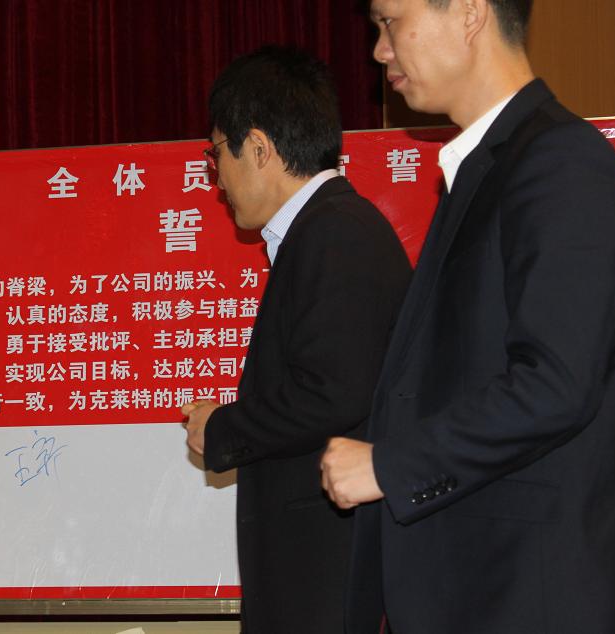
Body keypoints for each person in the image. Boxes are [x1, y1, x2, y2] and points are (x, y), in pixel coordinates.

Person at [320, 1, 615, 632]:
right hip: (473, 587)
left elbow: (556, 384)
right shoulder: (487, 166)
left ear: (467, 13)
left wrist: (390, 465)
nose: (379, 50)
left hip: (520, 593)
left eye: (389, 21)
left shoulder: (559, 160)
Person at [181, 46, 411, 633]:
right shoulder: (324, 231)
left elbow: (332, 392)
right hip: (316, 569)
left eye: (216, 154)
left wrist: (223, 428)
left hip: (327, 569)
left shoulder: (337, 234)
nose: (217, 180)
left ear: (258, 149)